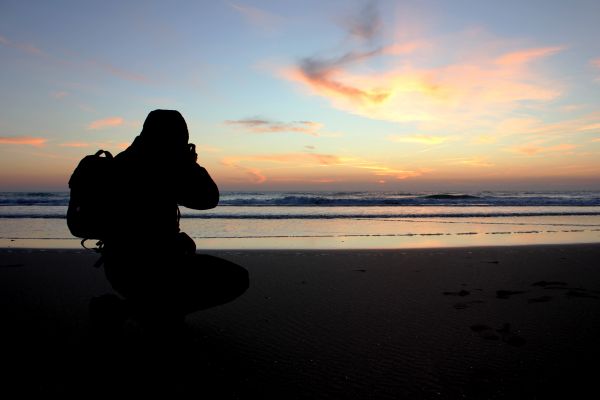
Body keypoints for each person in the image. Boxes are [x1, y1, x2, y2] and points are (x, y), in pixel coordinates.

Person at [100, 110, 248, 320]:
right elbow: (208, 199)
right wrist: (189, 163)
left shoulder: (123, 161)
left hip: (118, 268)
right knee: (237, 279)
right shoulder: (160, 166)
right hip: (151, 270)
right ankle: (130, 311)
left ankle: (154, 309)